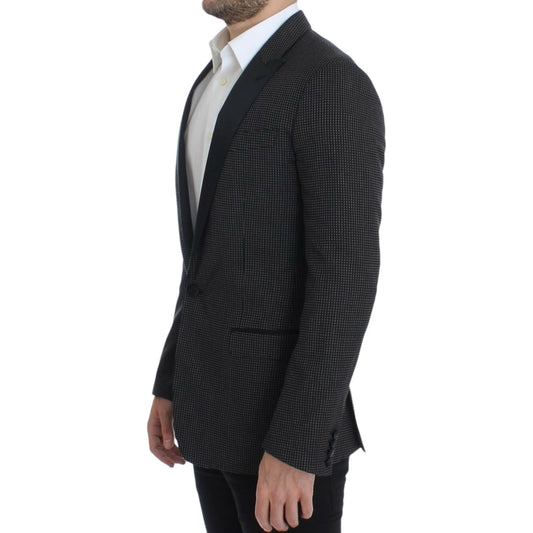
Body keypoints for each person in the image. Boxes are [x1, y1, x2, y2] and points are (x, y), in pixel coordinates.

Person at [147, 1, 385, 531]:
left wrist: (297, 445)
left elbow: (346, 280)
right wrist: (171, 380)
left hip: (282, 435)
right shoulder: (210, 82)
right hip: (209, 413)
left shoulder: (329, 80)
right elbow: (205, 262)